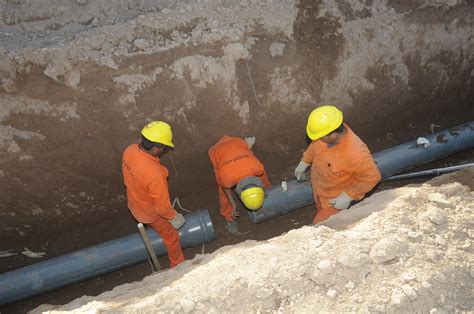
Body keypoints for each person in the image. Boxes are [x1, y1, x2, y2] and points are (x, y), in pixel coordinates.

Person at [294, 105, 381, 224]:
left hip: (335, 200)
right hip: (320, 191)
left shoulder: (356, 154)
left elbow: (372, 177)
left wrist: (349, 196)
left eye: (320, 137)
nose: (317, 139)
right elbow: (314, 146)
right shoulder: (325, 135)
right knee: (319, 208)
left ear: (333, 135)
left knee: (320, 224)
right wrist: (304, 162)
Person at [122, 121, 186, 267]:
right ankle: (178, 265)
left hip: (134, 203)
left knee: (158, 227)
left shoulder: (129, 150)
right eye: (164, 148)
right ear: (157, 148)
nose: (164, 151)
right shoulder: (154, 175)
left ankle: (155, 230)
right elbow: (162, 208)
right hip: (150, 213)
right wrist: (174, 217)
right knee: (171, 236)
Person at [208, 135, 271, 234]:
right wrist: (233, 204)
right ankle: (229, 217)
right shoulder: (227, 178)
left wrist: (266, 191)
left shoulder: (258, 168)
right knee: (223, 194)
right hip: (216, 150)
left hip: (238, 142)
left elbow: (263, 179)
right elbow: (226, 189)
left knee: (252, 160)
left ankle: (269, 192)